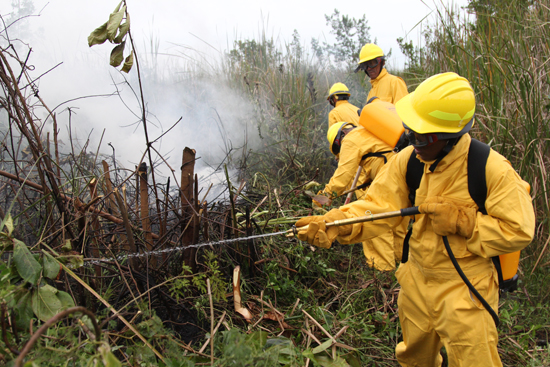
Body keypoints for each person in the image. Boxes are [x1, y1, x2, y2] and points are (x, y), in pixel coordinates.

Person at [295, 72, 535, 366]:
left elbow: (519, 229)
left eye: (422, 135)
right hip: (415, 282)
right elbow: (378, 206)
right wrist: (334, 224)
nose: (412, 139)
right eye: (411, 130)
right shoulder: (409, 159)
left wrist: (466, 223)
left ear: (449, 136)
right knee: (414, 358)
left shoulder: (490, 169)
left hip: (465, 288)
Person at [315, 121, 407, 271]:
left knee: (374, 220)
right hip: (402, 172)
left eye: (337, 149)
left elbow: (343, 176)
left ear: (340, 137)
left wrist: (324, 196)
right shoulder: (367, 132)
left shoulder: (351, 139)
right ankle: (400, 262)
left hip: (391, 176)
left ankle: (382, 269)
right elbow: (378, 157)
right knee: (398, 218)